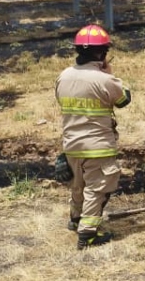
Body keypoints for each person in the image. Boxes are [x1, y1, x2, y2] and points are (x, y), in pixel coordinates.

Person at [55, 24, 132, 250]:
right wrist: (108, 73)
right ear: (102, 53)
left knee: (77, 186)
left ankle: (76, 220)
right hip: (98, 145)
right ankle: (88, 234)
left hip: (71, 144)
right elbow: (124, 100)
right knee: (97, 189)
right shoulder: (104, 79)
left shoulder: (64, 76)